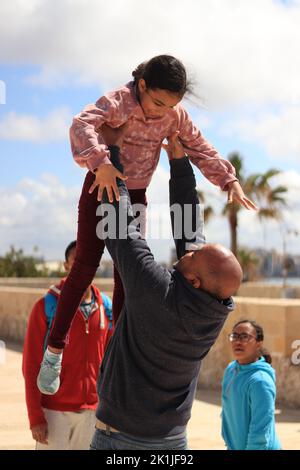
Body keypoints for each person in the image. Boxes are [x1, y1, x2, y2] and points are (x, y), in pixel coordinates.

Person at [38, 54, 256, 396]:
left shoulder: (173, 115)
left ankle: (116, 354)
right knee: (85, 266)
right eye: (156, 102)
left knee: (130, 277)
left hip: (134, 196)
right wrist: (100, 161)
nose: (160, 112)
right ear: (142, 86)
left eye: (170, 106)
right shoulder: (119, 101)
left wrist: (228, 180)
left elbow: (200, 148)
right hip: (101, 186)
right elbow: (80, 124)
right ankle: (54, 352)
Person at [84, 124, 243, 450]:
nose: (192, 249)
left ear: (194, 280)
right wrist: (179, 162)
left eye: (195, 255)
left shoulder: (156, 290)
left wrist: (111, 152)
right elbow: (190, 232)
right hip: (173, 440)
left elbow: (120, 229)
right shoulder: (213, 307)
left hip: (120, 439)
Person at [23, 241, 113, 450]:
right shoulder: (46, 307)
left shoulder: (106, 308)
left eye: (89, 263)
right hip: (54, 412)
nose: (83, 268)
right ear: (66, 266)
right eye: (77, 262)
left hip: (93, 412)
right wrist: (35, 416)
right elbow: (31, 365)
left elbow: (111, 364)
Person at [221, 320, 281, 450]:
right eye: (234, 336)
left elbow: (260, 430)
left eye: (245, 337)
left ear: (258, 343)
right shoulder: (231, 369)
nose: (238, 341)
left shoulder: (260, 381)